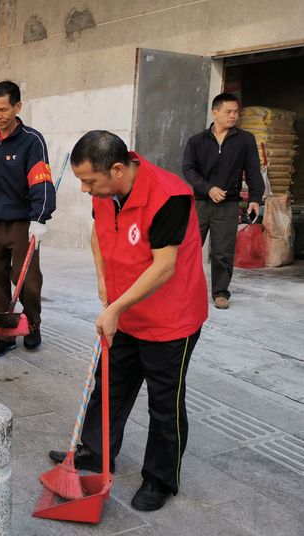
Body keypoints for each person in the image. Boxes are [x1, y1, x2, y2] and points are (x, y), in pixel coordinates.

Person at [48, 130, 207, 512]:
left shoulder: (169, 195)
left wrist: (116, 308)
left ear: (117, 169)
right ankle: (96, 453)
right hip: (124, 312)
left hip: (171, 320)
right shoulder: (106, 194)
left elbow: (165, 266)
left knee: (164, 403)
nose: (86, 190)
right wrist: (104, 282)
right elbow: (98, 236)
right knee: (110, 386)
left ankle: (160, 478)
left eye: (90, 181)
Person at [0, 80, 56, 357]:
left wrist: (40, 218)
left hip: (22, 225)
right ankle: (4, 333)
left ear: (17, 107)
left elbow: (41, 181)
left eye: (3, 109)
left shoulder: (32, 141)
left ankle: (32, 324)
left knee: (28, 282)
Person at [182, 93, 264, 309]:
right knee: (188, 249)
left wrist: (255, 198)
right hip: (199, 203)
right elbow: (188, 169)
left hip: (227, 205)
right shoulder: (196, 141)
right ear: (214, 112)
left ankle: (220, 293)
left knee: (223, 252)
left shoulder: (245, 140)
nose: (233, 116)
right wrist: (208, 188)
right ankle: (182, 289)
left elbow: (254, 171)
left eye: (236, 112)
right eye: (229, 112)